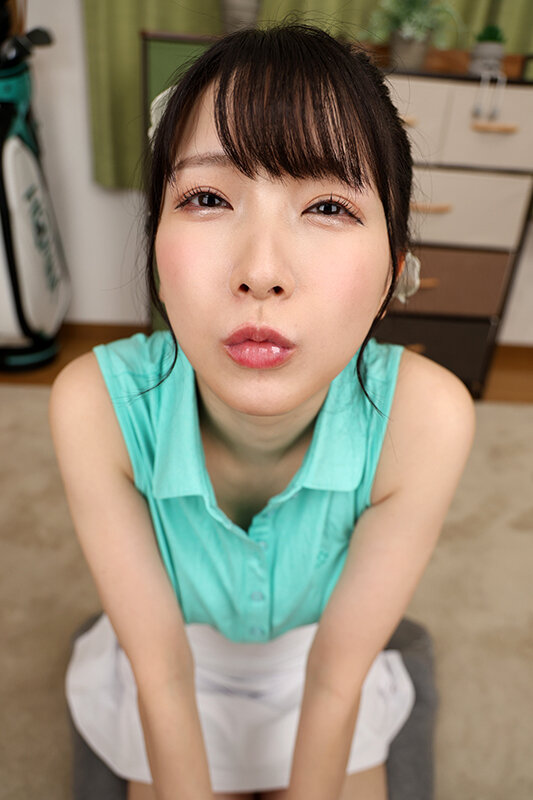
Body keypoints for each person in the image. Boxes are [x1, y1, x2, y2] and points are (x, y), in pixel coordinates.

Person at [49, 23, 475, 800]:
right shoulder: (95, 405)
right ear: (155, 251)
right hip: (173, 666)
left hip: (320, 666)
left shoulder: (425, 419)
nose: (261, 271)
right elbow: (162, 676)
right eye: (207, 198)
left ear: (393, 273)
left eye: (328, 206)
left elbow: (335, 681)